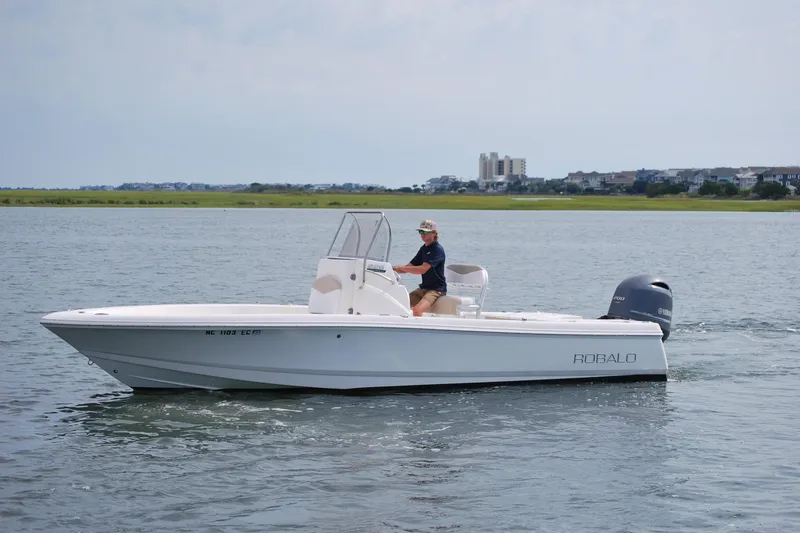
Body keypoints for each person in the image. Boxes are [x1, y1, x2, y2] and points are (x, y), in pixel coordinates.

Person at [392, 219, 447, 317]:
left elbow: (423, 269)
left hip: (436, 290)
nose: (423, 234)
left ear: (434, 233)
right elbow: (409, 267)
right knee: (398, 305)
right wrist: (391, 269)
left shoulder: (437, 249)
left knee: (417, 311)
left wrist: (402, 268)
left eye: (426, 232)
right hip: (424, 288)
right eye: (421, 231)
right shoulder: (424, 249)